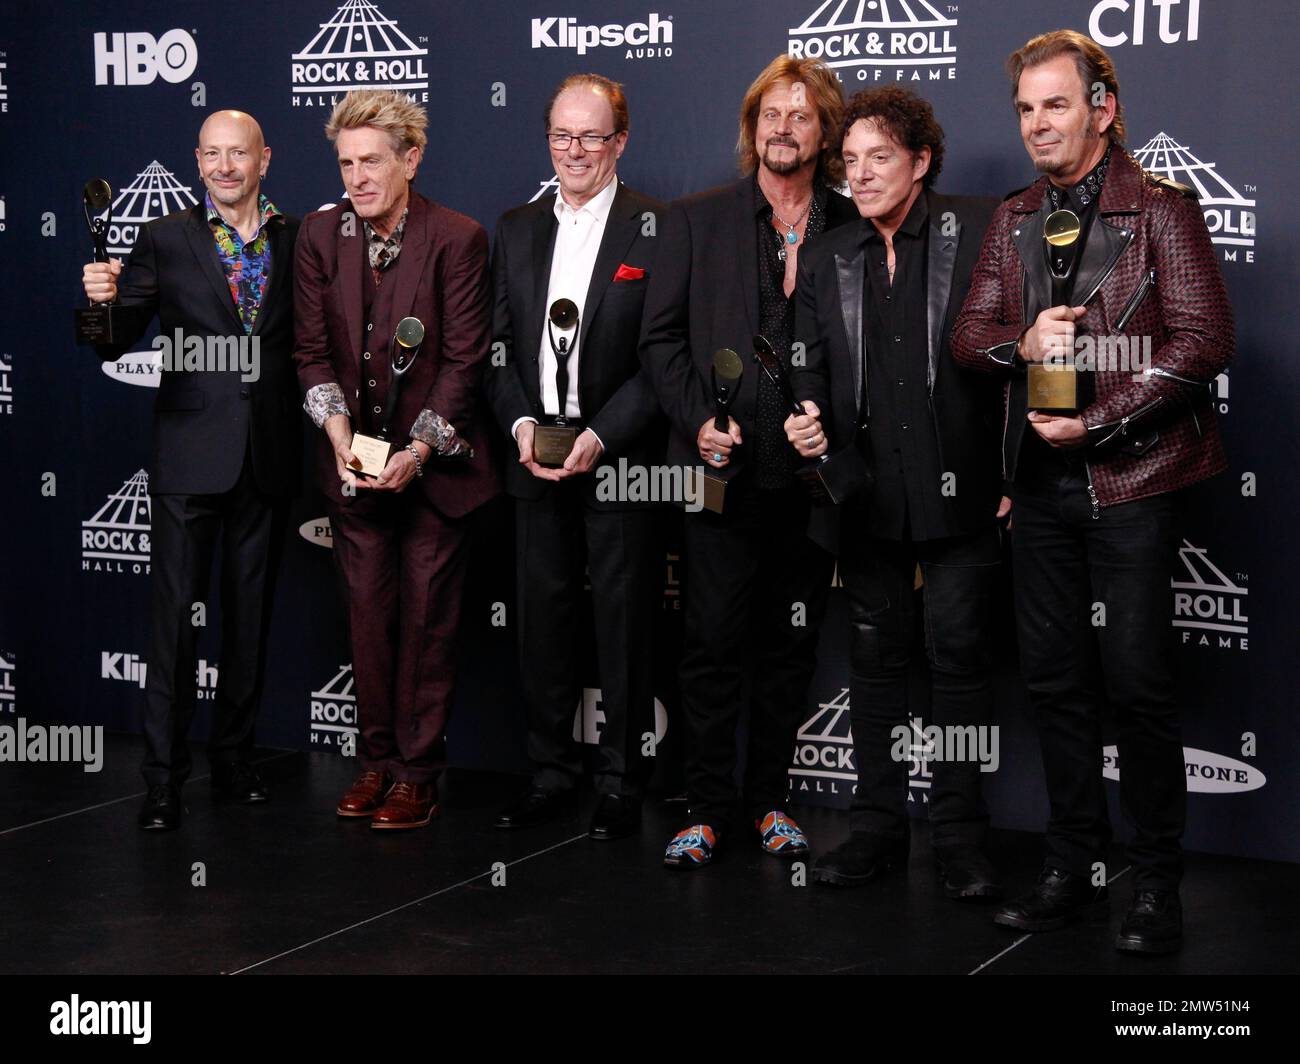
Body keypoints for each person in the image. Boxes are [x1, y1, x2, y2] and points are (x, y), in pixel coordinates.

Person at [952, 30, 1234, 953]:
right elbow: (969, 337)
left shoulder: (1160, 211)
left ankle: (1155, 885)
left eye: (1056, 104)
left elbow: (1201, 341)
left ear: (1102, 109)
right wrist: (1019, 344)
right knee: (1056, 684)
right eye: (1026, 108)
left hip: (1134, 479)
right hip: (1035, 490)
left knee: (1139, 685)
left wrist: (1103, 423)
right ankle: (1073, 867)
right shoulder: (1013, 216)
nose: (1038, 123)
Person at [786, 88, 1006, 898]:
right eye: (850, 161)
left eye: (881, 157)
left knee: (960, 667)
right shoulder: (827, 253)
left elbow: (1017, 358)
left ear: (920, 161)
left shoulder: (980, 230)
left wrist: (1011, 475)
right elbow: (805, 363)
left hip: (963, 494)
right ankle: (875, 827)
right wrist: (806, 419)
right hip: (865, 493)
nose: (863, 173)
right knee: (876, 666)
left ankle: (959, 837)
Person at [639, 55, 856, 868]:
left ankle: (770, 800)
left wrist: (827, 425)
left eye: (802, 115)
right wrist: (698, 422)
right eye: (771, 113)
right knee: (709, 643)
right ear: (751, 126)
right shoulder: (698, 220)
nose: (784, 127)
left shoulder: (851, 223)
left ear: (824, 130)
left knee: (789, 647)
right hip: (719, 481)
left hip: (807, 487)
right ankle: (704, 805)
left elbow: (869, 357)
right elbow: (658, 341)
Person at [82, 110, 300, 831]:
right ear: (197, 161)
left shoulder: (300, 238)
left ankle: (234, 764)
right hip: (188, 458)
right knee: (174, 628)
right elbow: (115, 344)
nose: (225, 166)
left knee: (249, 624)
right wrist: (100, 303)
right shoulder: (165, 238)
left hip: (265, 457)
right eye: (212, 154)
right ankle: (162, 781)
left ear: (264, 157)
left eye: (239, 153)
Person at [294, 89, 499, 830]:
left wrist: (417, 449)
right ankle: (376, 762)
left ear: (410, 158)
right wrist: (339, 437)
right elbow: (312, 353)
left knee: (427, 626)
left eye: (372, 161)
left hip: (436, 474)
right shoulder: (321, 237)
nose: (358, 178)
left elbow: (465, 362)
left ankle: (417, 773)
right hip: (353, 471)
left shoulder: (458, 238)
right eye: (346, 163)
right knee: (367, 620)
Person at [485, 74, 665, 841]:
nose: (575, 150)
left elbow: (663, 358)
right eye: (562, 135)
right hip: (533, 456)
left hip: (617, 456)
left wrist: (601, 436)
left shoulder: (657, 226)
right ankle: (550, 774)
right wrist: (522, 424)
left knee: (623, 626)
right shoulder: (516, 227)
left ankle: (621, 782)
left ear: (620, 141)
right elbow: (495, 351)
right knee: (544, 623)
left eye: (591, 136)